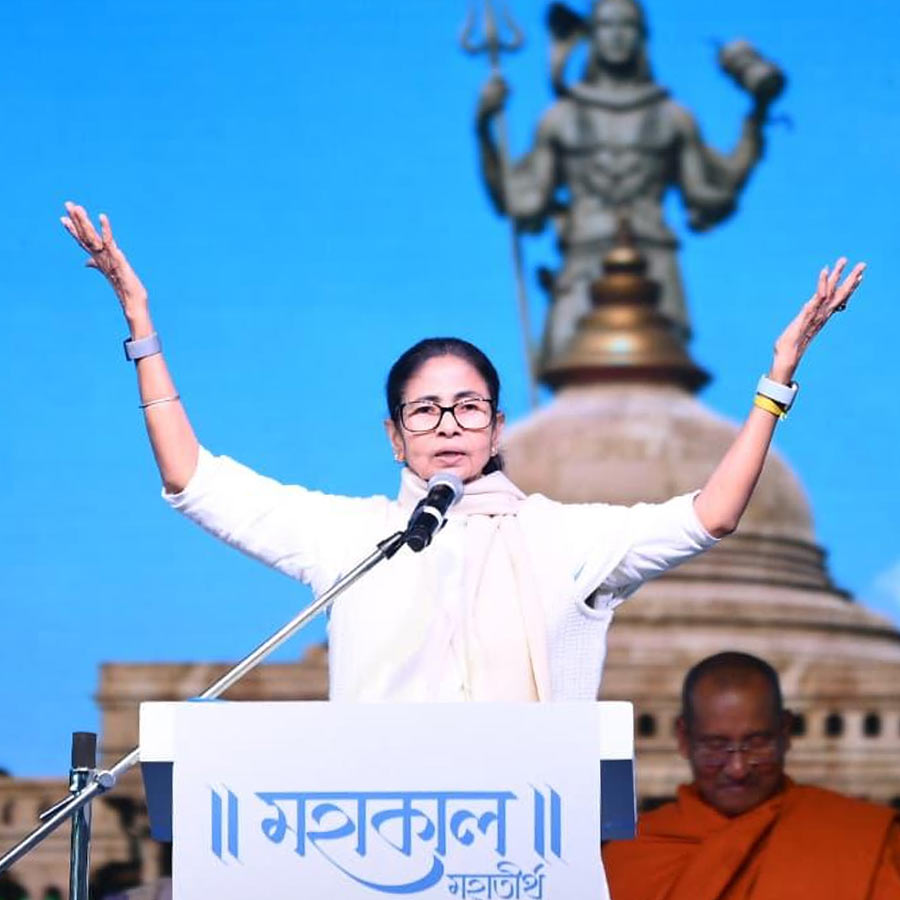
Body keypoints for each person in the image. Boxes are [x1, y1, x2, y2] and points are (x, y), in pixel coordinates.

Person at [60, 202, 863, 703]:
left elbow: (711, 516)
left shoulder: (560, 538)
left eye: (468, 406)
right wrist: (142, 329)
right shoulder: (350, 540)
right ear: (394, 433)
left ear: (497, 426)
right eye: (426, 409)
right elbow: (190, 477)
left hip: (521, 848)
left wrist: (775, 384)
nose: (448, 423)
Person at [476, 0, 778, 364]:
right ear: (592, 34)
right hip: (583, 265)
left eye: (627, 26)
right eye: (607, 25)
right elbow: (523, 202)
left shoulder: (672, 118)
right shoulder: (560, 118)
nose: (617, 36)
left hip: (655, 265)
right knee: (571, 377)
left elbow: (708, 196)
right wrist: (485, 129)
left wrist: (756, 119)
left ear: (641, 36)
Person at [602, 652, 900, 899]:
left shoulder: (862, 840)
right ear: (684, 738)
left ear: (785, 732)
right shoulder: (632, 857)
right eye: (716, 746)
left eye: (757, 743)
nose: (738, 768)